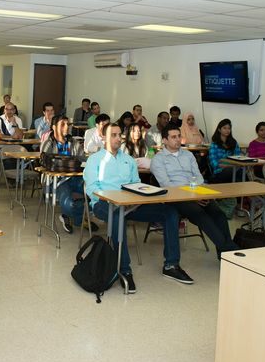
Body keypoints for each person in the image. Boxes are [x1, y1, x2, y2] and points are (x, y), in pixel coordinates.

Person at [84, 123, 194, 293]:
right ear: (104, 138)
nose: (117, 138)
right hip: (104, 203)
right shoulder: (94, 160)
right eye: (113, 135)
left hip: (131, 204)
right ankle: (124, 270)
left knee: (169, 212)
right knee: (118, 218)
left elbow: (136, 184)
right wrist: (112, 199)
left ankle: (171, 265)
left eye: (119, 134)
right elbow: (91, 189)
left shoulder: (128, 159)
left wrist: (141, 196)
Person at [151, 123, 239, 258]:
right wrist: (192, 197)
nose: (178, 139)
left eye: (179, 136)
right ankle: (230, 251)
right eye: (173, 137)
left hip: (196, 192)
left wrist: (197, 194)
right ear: (164, 140)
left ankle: (224, 254)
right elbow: (167, 185)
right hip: (175, 197)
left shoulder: (188, 155)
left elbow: (198, 177)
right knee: (201, 214)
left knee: (218, 214)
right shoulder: (158, 159)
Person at [40, 114, 91, 234]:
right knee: (68, 203)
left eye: (67, 124)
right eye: (62, 124)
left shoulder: (73, 142)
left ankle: (78, 218)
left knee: (93, 193)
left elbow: (83, 159)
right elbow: (46, 163)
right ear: (53, 127)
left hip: (75, 178)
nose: (66, 127)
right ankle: (68, 215)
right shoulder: (48, 144)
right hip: (57, 181)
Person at [208, 118, 241, 183]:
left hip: (233, 168)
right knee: (230, 171)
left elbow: (238, 158)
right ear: (219, 130)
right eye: (224, 128)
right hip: (219, 171)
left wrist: (234, 166)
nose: (227, 130)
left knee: (242, 172)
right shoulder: (214, 144)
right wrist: (228, 166)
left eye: (229, 128)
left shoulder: (234, 142)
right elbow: (213, 162)